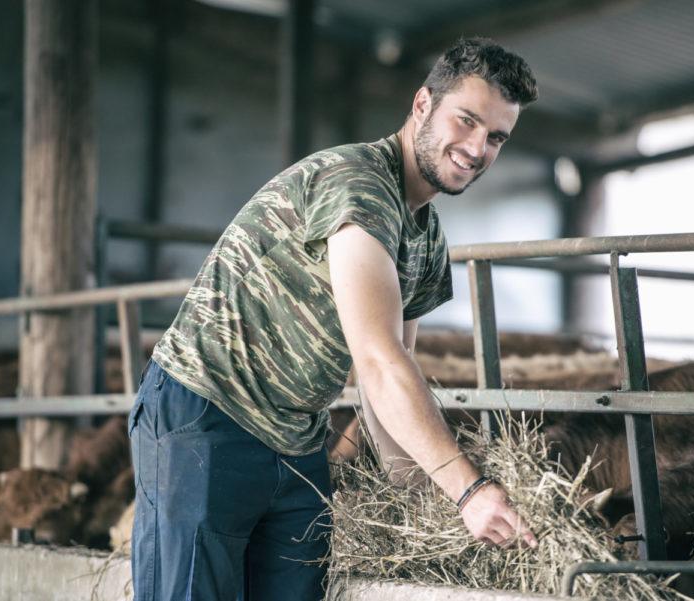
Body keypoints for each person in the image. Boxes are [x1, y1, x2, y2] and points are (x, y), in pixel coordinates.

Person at [128, 37, 539, 601]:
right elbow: (376, 359)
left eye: (496, 137)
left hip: (295, 441)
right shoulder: (360, 184)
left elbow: (387, 387)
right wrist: (469, 492)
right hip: (208, 414)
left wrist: (417, 508)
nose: (476, 148)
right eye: (466, 121)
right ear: (422, 104)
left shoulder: (426, 238)